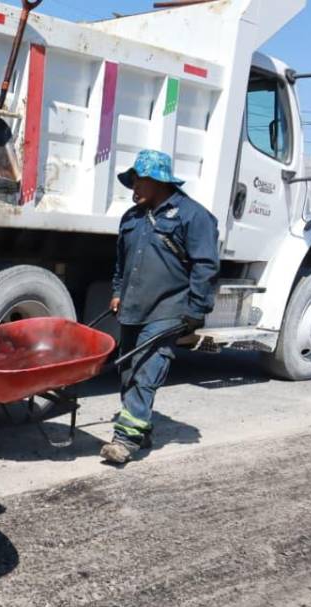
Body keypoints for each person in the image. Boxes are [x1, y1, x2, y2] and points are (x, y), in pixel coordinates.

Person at [102, 149, 218, 465]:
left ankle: (124, 441)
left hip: (168, 308)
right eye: (133, 181)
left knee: (145, 369)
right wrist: (117, 291)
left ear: (159, 182)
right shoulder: (132, 218)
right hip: (133, 307)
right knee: (127, 371)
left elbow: (205, 266)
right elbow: (121, 263)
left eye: (140, 181)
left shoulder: (193, 216)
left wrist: (196, 309)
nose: (134, 188)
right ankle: (141, 428)